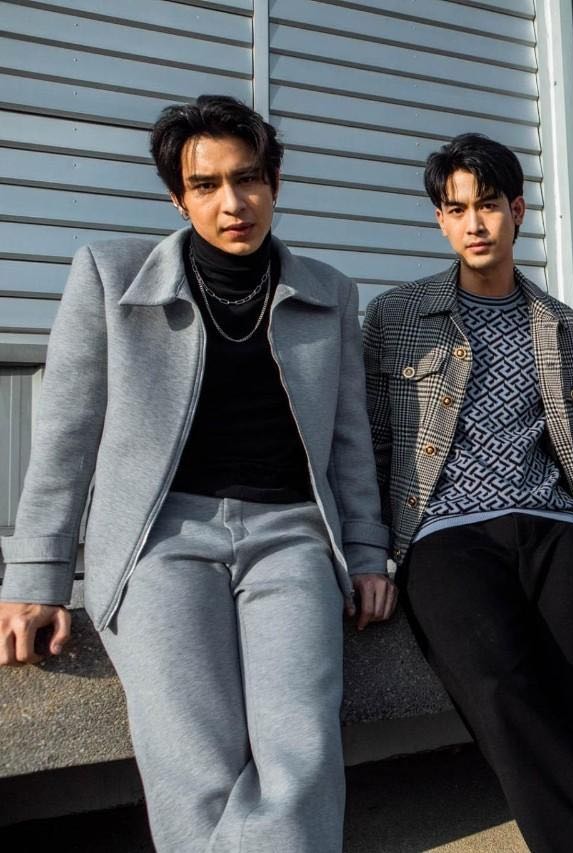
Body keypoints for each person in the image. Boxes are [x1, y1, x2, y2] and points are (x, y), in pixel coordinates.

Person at [0, 94, 395, 851]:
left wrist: (368, 552)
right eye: (206, 185)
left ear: (274, 182)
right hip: (159, 540)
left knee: (301, 749)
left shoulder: (329, 292)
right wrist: (35, 576)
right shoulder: (109, 276)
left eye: (247, 179)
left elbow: (350, 442)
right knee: (193, 759)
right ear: (177, 198)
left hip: (291, 537)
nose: (232, 203)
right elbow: (66, 435)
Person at [361, 132, 573, 853]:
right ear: (440, 220)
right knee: (497, 683)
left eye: (488, 205)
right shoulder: (396, 316)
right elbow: (371, 443)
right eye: (457, 209)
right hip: (443, 531)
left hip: (552, 523)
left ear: (517, 211)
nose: (475, 223)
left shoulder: (561, 325)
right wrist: (368, 552)